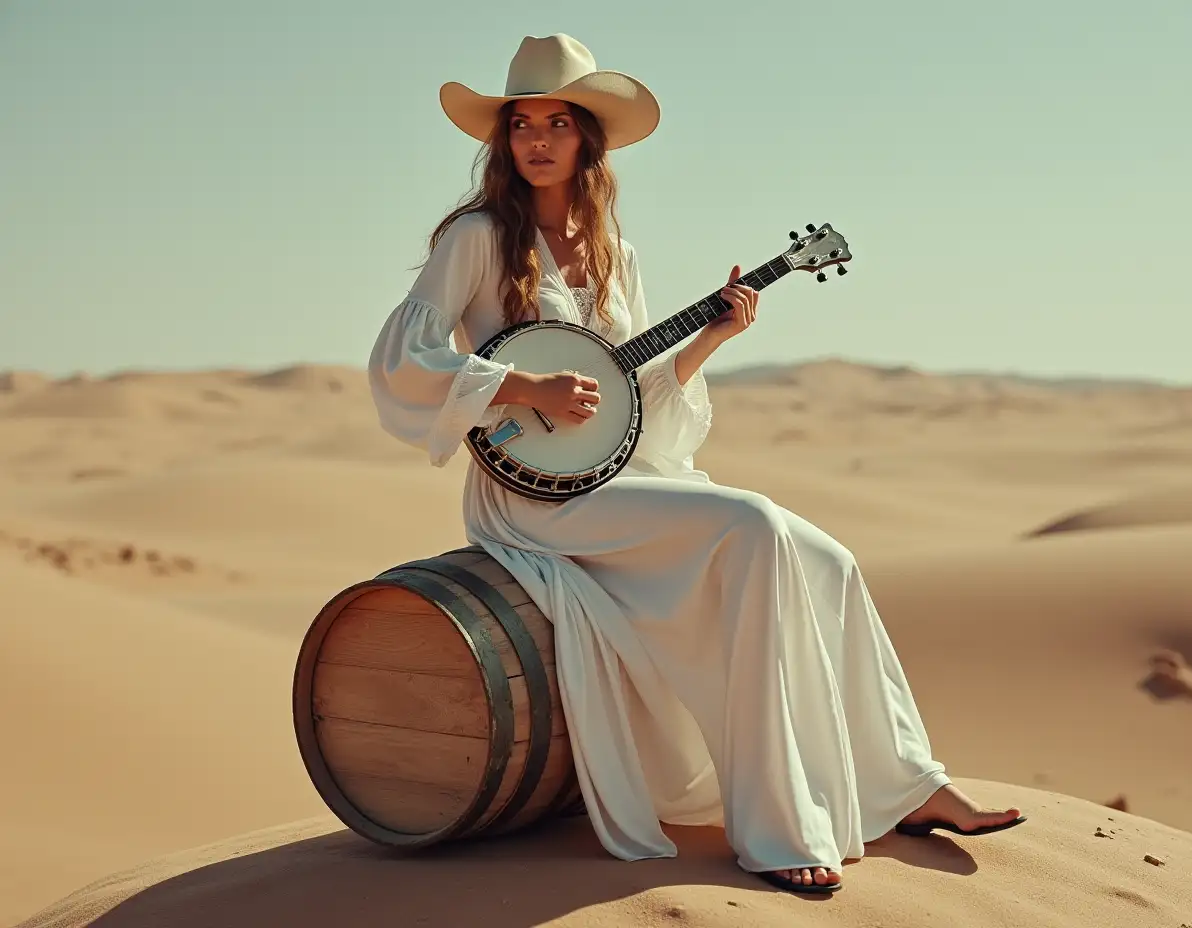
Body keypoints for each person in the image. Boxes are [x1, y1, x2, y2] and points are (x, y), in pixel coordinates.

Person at [368, 33, 1024, 895]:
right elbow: (400, 359)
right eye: (521, 124)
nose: (536, 140)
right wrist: (523, 385)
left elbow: (632, 399)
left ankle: (909, 783)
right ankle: (774, 825)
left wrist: (710, 337)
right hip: (531, 497)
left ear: (587, 140)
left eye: (557, 123)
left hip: (617, 477)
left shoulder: (614, 254)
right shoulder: (480, 236)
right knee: (750, 528)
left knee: (829, 560)